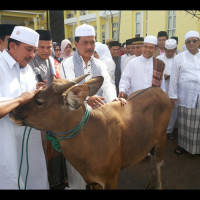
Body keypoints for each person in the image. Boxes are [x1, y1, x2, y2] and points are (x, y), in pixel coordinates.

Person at [60, 23, 126, 190]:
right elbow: (69, 90)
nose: (89, 46)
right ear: (76, 45)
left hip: (96, 122)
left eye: (92, 42)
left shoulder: (100, 64)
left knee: (97, 161)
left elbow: (109, 84)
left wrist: (113, 101)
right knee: (77, 167)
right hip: (75, 124)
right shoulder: (66, 64)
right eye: (85, 43)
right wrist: (87, 98)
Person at [0, 26, 49, 189]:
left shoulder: (28, 71)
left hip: (30, 145)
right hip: (5, 144)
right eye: (29, 49)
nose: (32, 55)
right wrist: (21, 100)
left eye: (34, 50)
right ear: (12, 46)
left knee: (35, 180)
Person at [29, 29, 67, 188]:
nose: (46, 51)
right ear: (35, 47)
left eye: (49, 47)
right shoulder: (29, 63)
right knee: (43, 150)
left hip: (53, 112)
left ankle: (58, 180)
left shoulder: (53, 61)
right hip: (38, 115)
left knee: (57, 147)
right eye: (42, 47)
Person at [168, 30, 200, 156]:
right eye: (188, 41)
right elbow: (174, 78)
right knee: (185, 123)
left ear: (199, 42)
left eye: (194, 41)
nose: (191, 43)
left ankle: (197, 148)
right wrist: (173, 96)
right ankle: (183, 146)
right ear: (185, 44)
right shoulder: (179, 58)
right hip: (186, 96)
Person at [157, 39, 178, 140]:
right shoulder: (158, 59)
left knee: (174, 109)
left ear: (175, 50)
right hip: (162, 87)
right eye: (168, 51)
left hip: (175, 88)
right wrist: (162, 76)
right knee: (161, 109)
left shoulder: (179, 59)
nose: (170, 53)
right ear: (164, 49)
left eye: (172, 51)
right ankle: (161, 130)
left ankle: (170, 131)